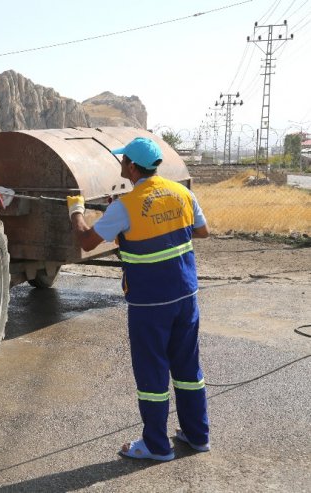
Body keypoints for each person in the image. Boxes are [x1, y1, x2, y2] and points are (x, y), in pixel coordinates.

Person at [67, 137, 210, 461]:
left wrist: (76, 212)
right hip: (186, 296)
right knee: (188, 368)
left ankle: (157, 446)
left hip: (150, 303)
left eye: (123, 161)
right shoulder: (182, 193)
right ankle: (198, 436)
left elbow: (87, 242)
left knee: (152, 375)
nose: (120, 165)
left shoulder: (125, 207)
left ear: (132, 166)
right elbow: (202, 231)